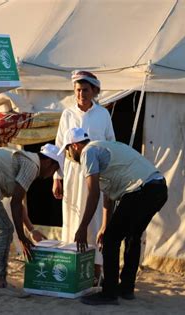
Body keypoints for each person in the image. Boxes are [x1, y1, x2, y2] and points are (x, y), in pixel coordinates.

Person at [59, 128, 168, 305]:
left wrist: (82, 228)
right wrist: (104, 226)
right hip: (158, 189)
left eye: (67, 150)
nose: (68, 155)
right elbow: (107, 198)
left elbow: (93, 193)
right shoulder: (104, 148)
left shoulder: (88, 152)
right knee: (132, 236)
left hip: (140, 191)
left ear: (75, 146)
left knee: (111, 241)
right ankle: (126, 288)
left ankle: (109, 293)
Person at [53, 70, 115, 282]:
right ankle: (72, 269)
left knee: (95, 219)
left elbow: (111, 143)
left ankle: (96, 270)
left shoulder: (103, 114)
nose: (81, 94)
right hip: (72, 173)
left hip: (95, 174)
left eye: (85, 90)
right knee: (72, 216)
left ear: (94, 91)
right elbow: (60, 146)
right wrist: (57, 177)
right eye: (78, 90)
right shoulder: (67, 114)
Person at [0, 144, 64, 297]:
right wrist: (22, 238)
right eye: (54, 170)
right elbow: (15, 203)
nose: (52, 175)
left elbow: (19, 202)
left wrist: (31, 230)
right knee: (4, 229)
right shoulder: (31, 166)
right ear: (48, 162)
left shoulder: (28, 161)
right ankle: (0, 283)